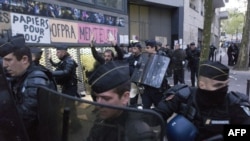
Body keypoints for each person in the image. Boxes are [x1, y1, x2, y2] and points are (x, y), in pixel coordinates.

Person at [154, 61, 250, 140]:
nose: (224, 89)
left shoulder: (235, 104)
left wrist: (223, 134)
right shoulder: (184, 96)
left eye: (226, 84)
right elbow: (156, 115)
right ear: (202, 84)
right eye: (218, 85)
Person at [0, 35, 57, 141]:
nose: (4, 65)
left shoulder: (36, 79)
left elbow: (25, 117)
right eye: (3, 60)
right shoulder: (19, 76)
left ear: (24, 59)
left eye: (8, 60)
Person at [87, 60, 155, 141]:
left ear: (125, 97)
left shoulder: (139, 134)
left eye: (106, 98)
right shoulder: (101, 120)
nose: (98, 104)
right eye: (97, 98)